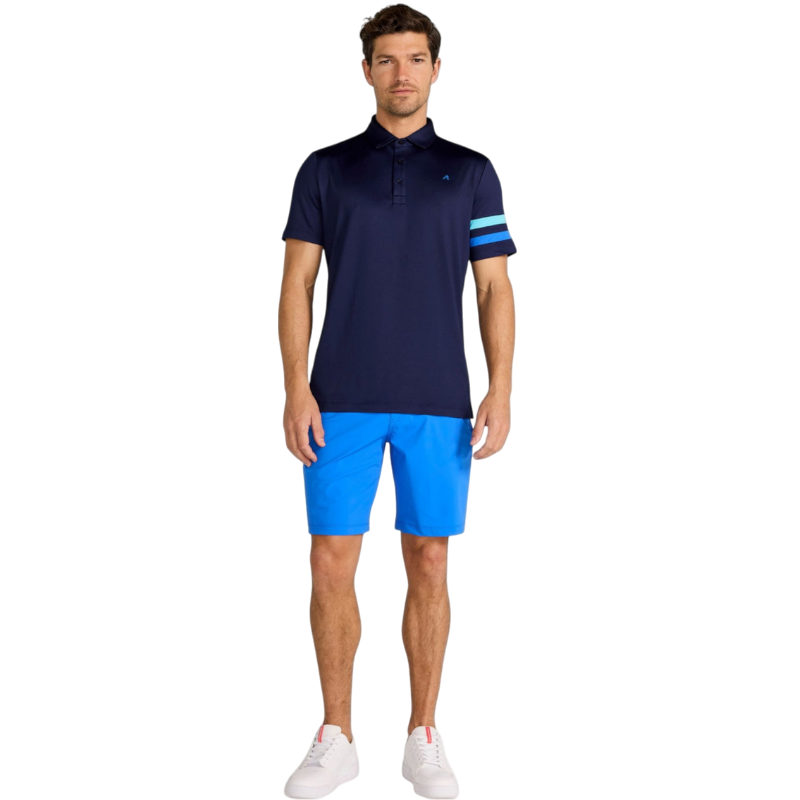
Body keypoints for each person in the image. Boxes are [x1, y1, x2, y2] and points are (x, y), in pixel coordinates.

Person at [279, 4, 515, 798]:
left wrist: (501, 386)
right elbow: (296, 283)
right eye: (386, 59)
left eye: (416, 58)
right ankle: (336, 736)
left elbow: (494, 289)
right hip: (339, 397)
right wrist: (295, 387)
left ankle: (423, 734)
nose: (402, 73)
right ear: (366, 71)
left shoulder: (473, 172)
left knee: (430, 559)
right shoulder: (325, 168)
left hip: (438, 400)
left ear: (437, 70)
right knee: (328, 560)